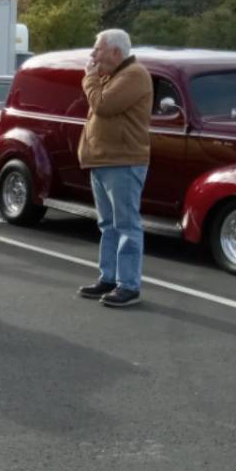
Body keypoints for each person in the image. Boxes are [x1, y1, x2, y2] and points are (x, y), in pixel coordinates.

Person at [77, 28, 153, 308]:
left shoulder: (134, 75)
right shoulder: (113, 75)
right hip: (104, 160)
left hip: (123, 161)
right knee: (107, 224)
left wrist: (90, 77)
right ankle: (108, 277)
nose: (93, 54)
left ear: (115, 52)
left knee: (126, 225)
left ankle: (128, 285)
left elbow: (103, 105)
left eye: (97, 49)